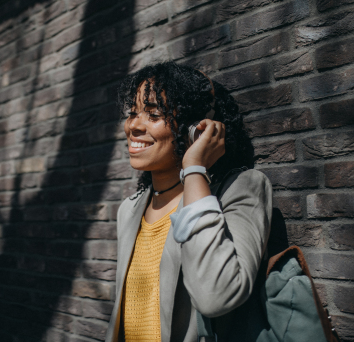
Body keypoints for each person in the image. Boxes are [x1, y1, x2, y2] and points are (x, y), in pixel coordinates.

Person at [105, 62, 273, 342]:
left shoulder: (241, 190)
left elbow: (216, 296)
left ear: (195, 128)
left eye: (154, 114)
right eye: (133, 113)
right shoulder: (129, 209)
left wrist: (194, 168)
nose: (133, 125)